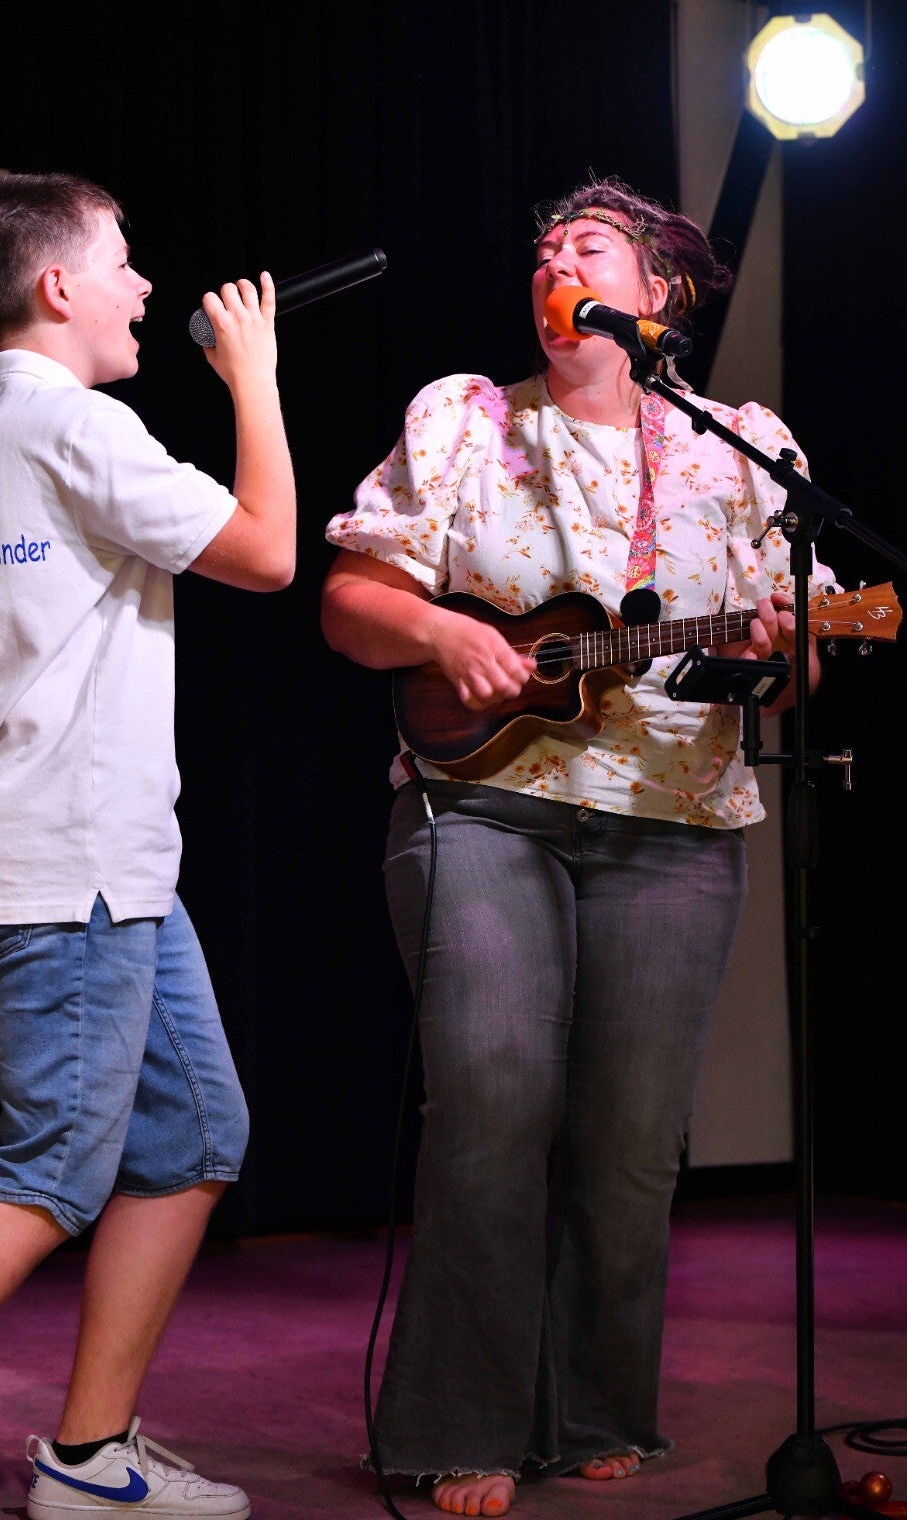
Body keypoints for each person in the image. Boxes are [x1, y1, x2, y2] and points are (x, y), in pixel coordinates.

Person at [320, 176, 836, 1517]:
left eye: (586, 247)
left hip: (674, 815)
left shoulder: (741, 447)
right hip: (482, 799)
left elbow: (793, 677)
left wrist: (780, 654)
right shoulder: (464, 419)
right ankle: (464, 1423)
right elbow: (352, 601)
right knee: (492, 1100)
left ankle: (601, 1405)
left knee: (631, 1137)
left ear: (657, 290)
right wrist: (444, 633)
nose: (553, 263)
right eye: (541, 250)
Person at [0, 172, 295, 1520]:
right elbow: (268, 552)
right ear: (56, 285)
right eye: (122, 260)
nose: (144, 287)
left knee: (194, 1137)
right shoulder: (78, 424)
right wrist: (255, 377)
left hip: (97, 859)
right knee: (47, 1170)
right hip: (78, 862)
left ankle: (91, 1459)